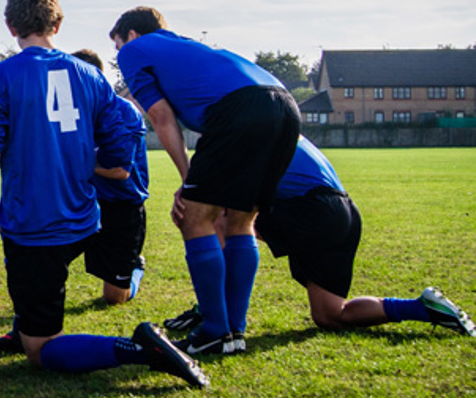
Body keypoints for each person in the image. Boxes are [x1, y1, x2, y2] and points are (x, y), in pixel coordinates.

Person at [0, 0, 207, 388]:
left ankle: (137, 348)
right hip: (85, 218)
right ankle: (25, 320)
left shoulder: (0, 76)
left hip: (35, 225)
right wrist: (91, 159)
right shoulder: (90, 76)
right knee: (11, 232)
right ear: (58, 24)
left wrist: (1, 151)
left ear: (10, 26)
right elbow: (125, 132)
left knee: (41, 351)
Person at [111, 6, 300, 356]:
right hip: (285, 105)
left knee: (194, 217)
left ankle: (214, 329)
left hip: (240, 109)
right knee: (240, 221)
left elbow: (161, 117)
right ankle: (233, 332)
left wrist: (188, 178)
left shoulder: (136, 50)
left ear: (131, 36)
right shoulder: (184, 47)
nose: (120, 55)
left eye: (118, 46)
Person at [164, 136, 475, 338]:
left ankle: (216, 318)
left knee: (220, 219)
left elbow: (229, 205)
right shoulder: (272, 121)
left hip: (312, 209)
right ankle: (422, 308)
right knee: (330, 315)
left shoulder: (241, 130)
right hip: (343, 213)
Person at [71, 49, 148, 306]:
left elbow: (120, 172)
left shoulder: (123, 113)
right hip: (87, 201)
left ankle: (135, 268)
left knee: (114, 298)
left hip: (122, 205)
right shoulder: (73, 112)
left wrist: (77, 165)